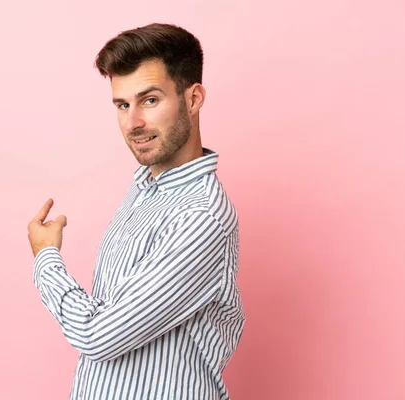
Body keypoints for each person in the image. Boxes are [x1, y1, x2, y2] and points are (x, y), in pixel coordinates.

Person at [27, 22, 245, 400]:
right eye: (123, 105)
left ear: (193, 99)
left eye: (150, 100)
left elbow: (100, 336)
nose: (133, 123)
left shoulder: (201, 216)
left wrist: (46, 257)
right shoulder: (144, 187)